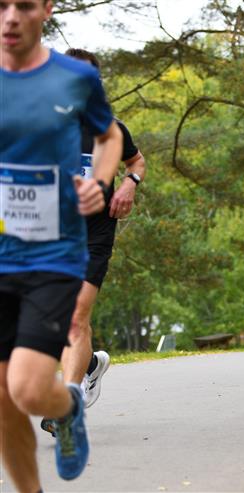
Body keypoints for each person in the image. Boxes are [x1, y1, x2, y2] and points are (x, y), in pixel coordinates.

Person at [0, 0, 122, 489]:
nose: (10, 17)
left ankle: (67, 404)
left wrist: (105, 182)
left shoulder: (77, 84)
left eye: (23, 6)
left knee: (28, 388)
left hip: (58, 253)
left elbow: (113, 139)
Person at [39, 48, 147, 437]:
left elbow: (136, 162)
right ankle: (88, 365)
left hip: (94, 233)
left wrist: (129, 184)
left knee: (75, 317)